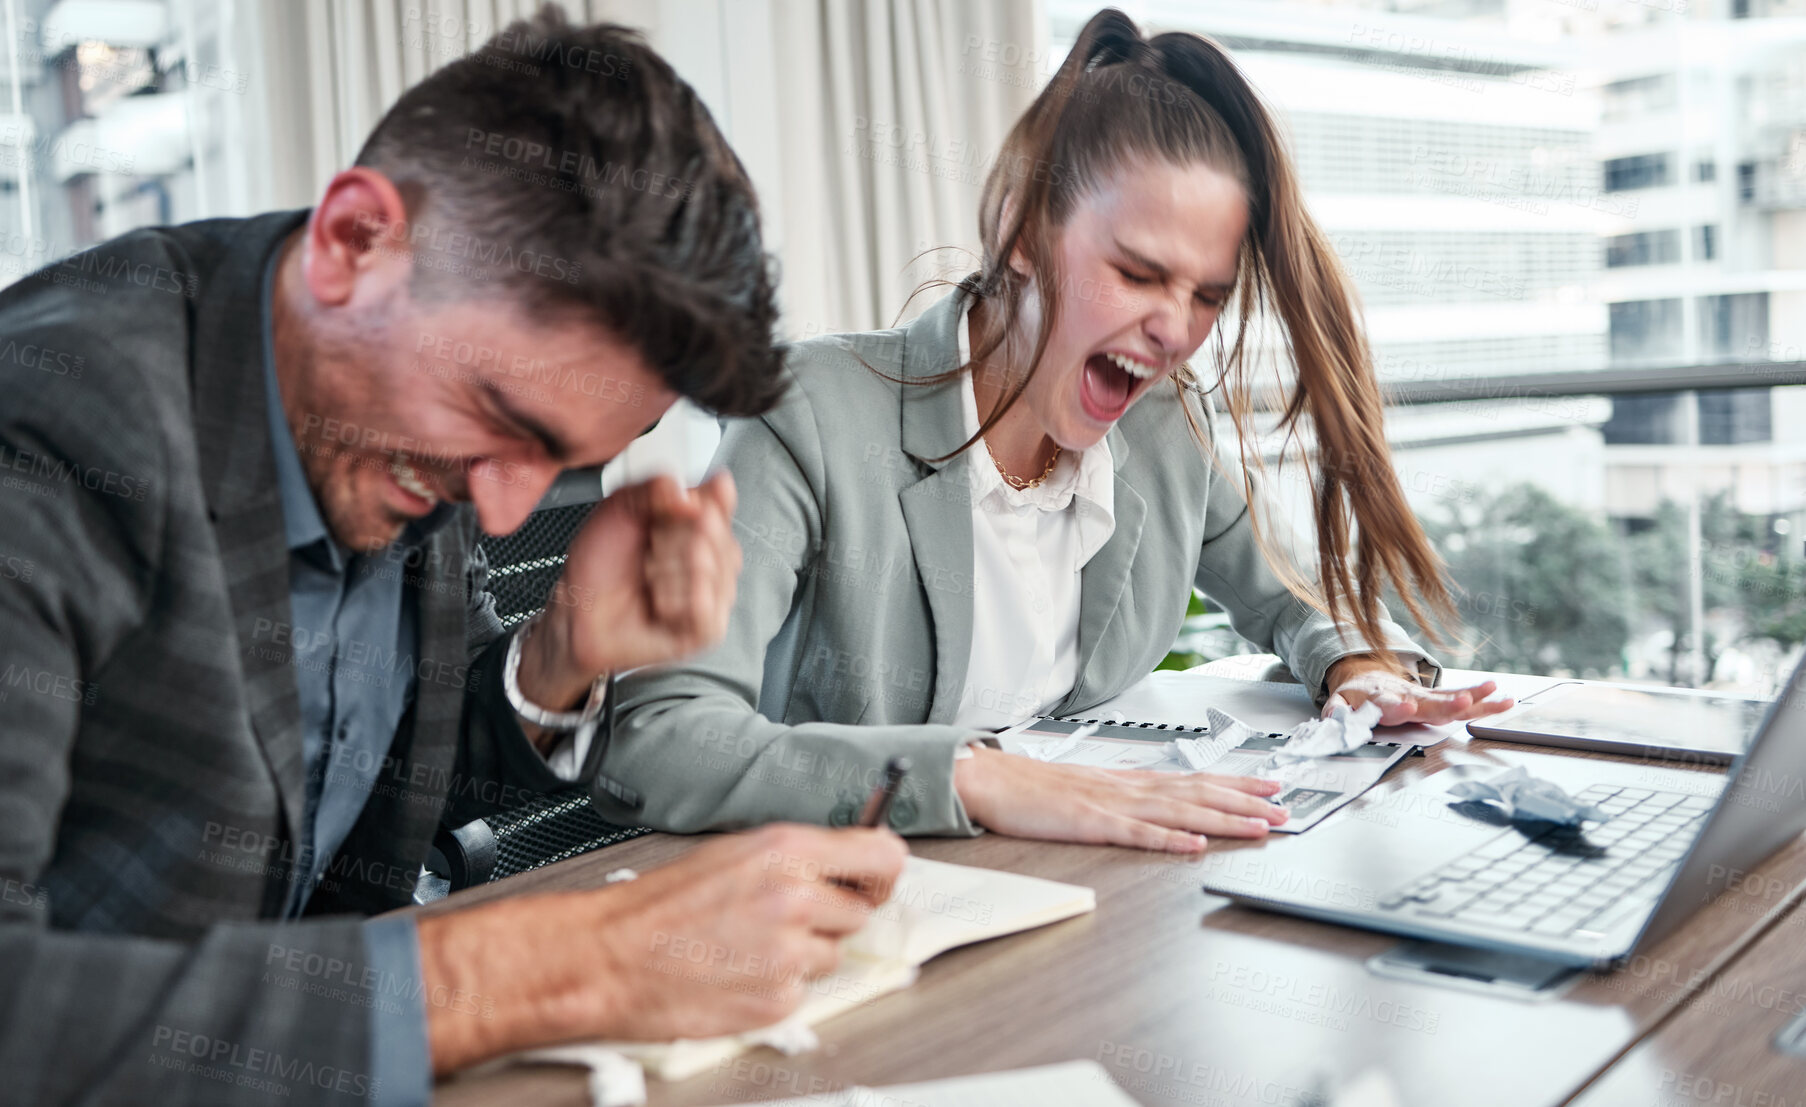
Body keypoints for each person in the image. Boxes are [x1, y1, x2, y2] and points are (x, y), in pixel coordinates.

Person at [0, 9, 904, 1105]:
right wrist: (564, 965)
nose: (510, 503)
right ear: (351, 243)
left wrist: (561, 656)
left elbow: (390, 778)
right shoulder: (52, 429)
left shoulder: (402, 429)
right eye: (500, 418)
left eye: (565, 458)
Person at [598, 7, 1513, 852]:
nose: (1175, 329)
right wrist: (974, 777)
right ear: (1021, 232)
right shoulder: (809, 414)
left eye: (1207, 295)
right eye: (1139, 272)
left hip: (1063, 907)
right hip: (838, 913)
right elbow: (659, 739)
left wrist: (1353, 661)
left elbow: (1285, 589)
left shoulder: (1161, 429)